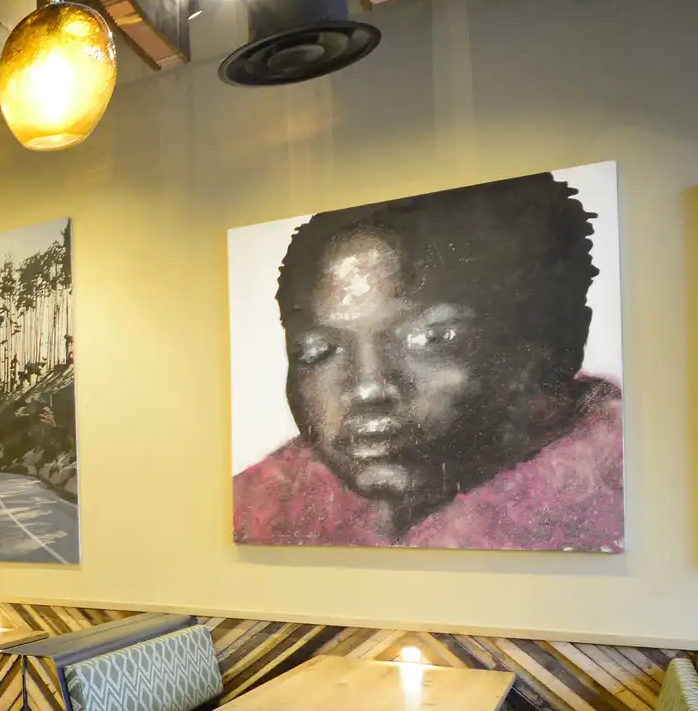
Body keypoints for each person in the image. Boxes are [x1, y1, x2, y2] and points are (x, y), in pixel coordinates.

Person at [232, 172, 622, 551]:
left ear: (550, 345)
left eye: (431, 338)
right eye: (317, 351)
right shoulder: (263, 514)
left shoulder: (613, 508)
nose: (368, 388)